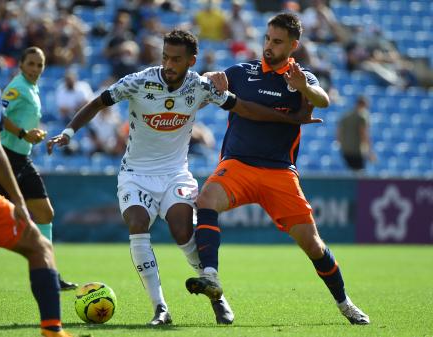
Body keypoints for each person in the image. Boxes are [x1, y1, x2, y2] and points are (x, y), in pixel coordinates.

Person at [46, 29, 319, 326]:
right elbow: (99, 102)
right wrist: (68, 133)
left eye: (176, 59)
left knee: (182, 232)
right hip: (135, 174)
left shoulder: (200, 86)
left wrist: (291, 119)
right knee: (137, 224)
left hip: (175, 174)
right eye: (165, 57)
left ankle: (217, 297)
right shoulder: (139, 81)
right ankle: (160, 308)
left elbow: (244, 108)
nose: (168, 64)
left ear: (192, 60)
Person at [185, 13, 370, 325]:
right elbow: (202, 92)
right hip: (238, 165)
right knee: (206, 201)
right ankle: (211, 277)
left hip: (279, 172)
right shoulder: (241, 72)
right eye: (267, 39)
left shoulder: (301, 76)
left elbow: (322, 100)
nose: (269, 46)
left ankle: (345, 303)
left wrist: (304, 88)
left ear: (293, 45)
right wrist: (207, 82)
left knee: (313, 245)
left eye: (277, 41)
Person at [0, 22, 72, 337]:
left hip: (16, 160)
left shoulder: (29, 89)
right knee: (38, 246)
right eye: (30, 63)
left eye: (39, 65)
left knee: (41, 215)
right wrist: (17, 200)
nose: (34, 68)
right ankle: (52, 330)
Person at [337, 95, 375, 172]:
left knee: (352, 173)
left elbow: (338, 133)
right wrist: (370, 152)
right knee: (359, 174)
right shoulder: (362, 117)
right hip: (357, 151)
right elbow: (364, 134)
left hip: (345, 151)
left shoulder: (345, 116)